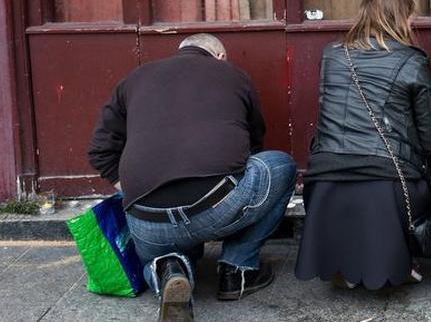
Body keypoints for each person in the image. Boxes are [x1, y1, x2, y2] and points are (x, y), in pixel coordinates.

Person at [88, 33, 296, 322]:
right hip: (217, 206)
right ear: (220, 56)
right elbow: (254, 146)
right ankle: (238, 270)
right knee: (280, 165)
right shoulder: (231, 74)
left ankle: (168, 268)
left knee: (152, 254)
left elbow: (100, 150)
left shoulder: (134, 78)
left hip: (148, 220)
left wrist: (132, 188)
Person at [294, 0, 431, 290]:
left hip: (324, 182)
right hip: (391, 185)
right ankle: (397, 260)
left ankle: (348, 264)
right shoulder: (411, 60)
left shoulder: (332, 56)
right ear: (401, 18)